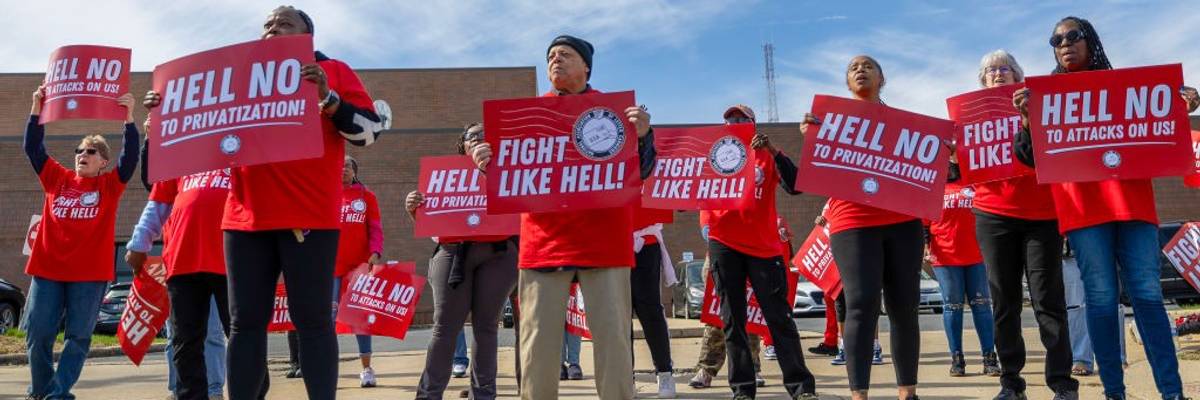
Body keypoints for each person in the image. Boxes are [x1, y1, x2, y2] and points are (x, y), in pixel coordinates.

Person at [144, 6, 384, 399]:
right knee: (244, 325)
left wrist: (328, 98)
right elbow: (180, 161)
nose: (273, 26)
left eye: (285, 22)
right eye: (268, 23)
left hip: (309, 217)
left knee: (313, 322)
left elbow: (371, 133)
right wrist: (168, 117)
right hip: (244, 219)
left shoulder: (333, 70)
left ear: (308, 35)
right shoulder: (236, 78)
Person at [1012, 16, 1199, 400]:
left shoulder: (1132, 89)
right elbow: (1029, 159)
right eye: (1056, 39)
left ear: (1090, 41)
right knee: (1099, 299)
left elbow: (1165, 133)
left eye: (1073, 36)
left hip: (1134, 208)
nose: (1064, 43)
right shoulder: (1043, 99)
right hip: (1084, 213)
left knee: (1147, 296)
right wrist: (1028, 122)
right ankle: (1114, 391)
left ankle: (1172, 391)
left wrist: (1184, 104)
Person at [468, 35, 656, 400]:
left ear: (586, 66)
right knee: (537, 341)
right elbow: (510, 181)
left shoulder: (616, 114)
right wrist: (486, 165)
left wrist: (645, 135)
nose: (555, 60)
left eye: (565, 55)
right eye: (550, 55)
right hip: (544, 242)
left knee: (613, 339)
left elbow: (644, 171)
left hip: (604, 243)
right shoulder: (525, 116)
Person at [802, 55, 923, 400]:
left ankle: (908, 392)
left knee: (904, 306)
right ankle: (859, 395)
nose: (860, 69)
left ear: (881, 78)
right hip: (852, 221)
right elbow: (808, 177)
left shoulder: (904, 125)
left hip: (903, 220)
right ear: (846, 82)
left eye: (869, 65)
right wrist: (810, 138)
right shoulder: (828, 123)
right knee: (860, 304)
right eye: (853, 67)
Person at [970, 48, 1079, 400]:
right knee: (1004, 303)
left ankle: (1062, 383)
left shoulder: (1036, 105)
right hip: (992, 214)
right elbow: (958, 172)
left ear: (1019, 76)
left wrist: (1029, 117)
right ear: (982, 80)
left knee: (1048, 300)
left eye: (1005, 69)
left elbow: (1050, 154)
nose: (998, 74)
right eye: (990, 71)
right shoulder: (969, 117)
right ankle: (1011, 383)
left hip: (1041, 216)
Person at [22, 87, 139, 400]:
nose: (81, 155)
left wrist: (129, 119)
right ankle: (44, 389)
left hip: (88, 276)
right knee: (39, 334)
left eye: (90, 152)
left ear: (103, 162)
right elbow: (33, 147)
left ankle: (57, 393)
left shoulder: (109, 186)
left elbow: (130, 160)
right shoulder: (56, 178)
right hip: (48, 270)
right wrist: (37, 108)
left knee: (77, 337)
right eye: (78, 150)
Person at [702, 104, 817, 400]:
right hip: (723, 243)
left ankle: (801, 387)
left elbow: (796, 185)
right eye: (729, 120)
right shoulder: (713, 153)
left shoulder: (764, 152)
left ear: (753, 125)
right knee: (732, 320)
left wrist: (774, 150)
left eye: (741, 119)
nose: (735, 123)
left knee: (778, 317)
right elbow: (685, 189)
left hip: (763, 247)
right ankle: (742, 389)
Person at [411, 123, 519, 400]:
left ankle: (483, 394)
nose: (480, 140)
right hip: (452, 252)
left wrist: (490, 171)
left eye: (486, 136)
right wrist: (417, 211)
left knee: (486, 326)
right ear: (463, 145)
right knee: (445, 325)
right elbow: (435, 229)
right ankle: (429, 394)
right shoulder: (445, 174)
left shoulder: (508, 171)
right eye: (473, 137)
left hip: (498, 252)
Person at [923, 159, 1000, 377]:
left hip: (977, 255)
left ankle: (989, 358)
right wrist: (926, 248)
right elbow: (924, 224)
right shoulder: (934, 187)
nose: (950, 163)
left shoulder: (975, 182)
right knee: (953, 306)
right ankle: (957, 359)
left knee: (982, 305)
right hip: (945, 256)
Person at [689, 216, 767, 390]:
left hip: (751, 253)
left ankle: (752, 368)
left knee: (750, 316)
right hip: (721, 254)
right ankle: (706, 369)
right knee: (717, 316)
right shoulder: (714, 192)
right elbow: (706, 224)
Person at [334, 155, 383, 387]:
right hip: (331, 268)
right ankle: (327, 368)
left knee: (361, 319)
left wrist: (375, 252)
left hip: (359, 268)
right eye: (339, 166)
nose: (343, 169)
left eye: (347, 166)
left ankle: (367, 370)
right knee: (327, 319)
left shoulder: (367, 196)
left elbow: (375, 229)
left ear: (354, 171)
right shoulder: (326, 195)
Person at [631, 207, 677, 398]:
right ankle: (625, 376)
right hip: (613, 241)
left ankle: (665, 372)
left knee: (651, 312)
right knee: (619, 315)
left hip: (646, 242)